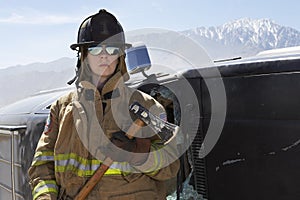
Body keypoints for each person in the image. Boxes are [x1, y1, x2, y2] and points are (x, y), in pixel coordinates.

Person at [28, 9, 179, 200]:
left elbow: (171, 168)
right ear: (83, 55)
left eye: (112, 49)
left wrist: (137, 154)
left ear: (120, 56)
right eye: (96, 49)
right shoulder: (62, 108)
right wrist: (45, 198)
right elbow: (42, 164)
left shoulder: (147, 106)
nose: (104, 56)